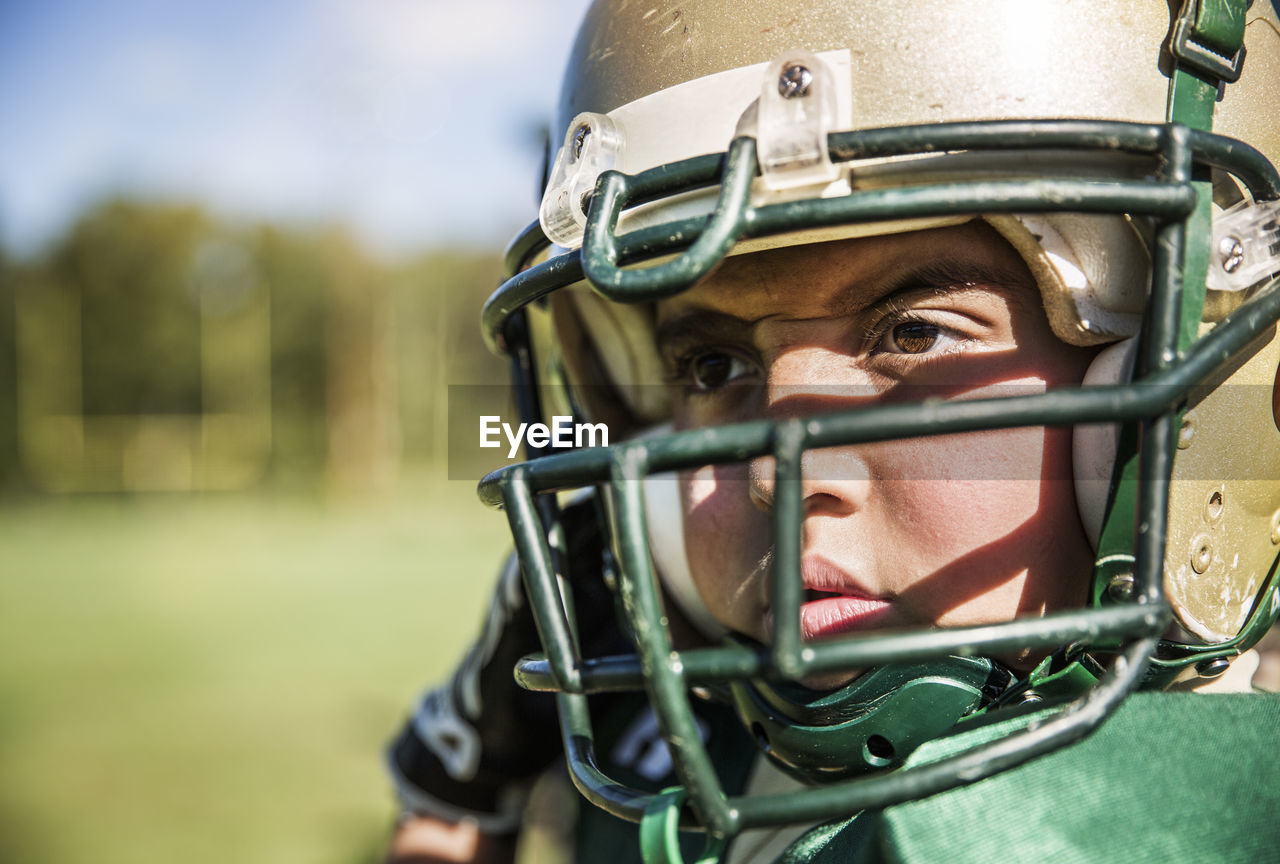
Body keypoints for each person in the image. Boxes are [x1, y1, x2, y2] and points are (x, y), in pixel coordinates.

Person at [385, 1, 1280, 861]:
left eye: (916, 333)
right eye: (714, 368)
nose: (775, 476)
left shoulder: (1193, 810)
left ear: (1201, 382)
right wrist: (465, 784)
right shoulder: (692, 716)